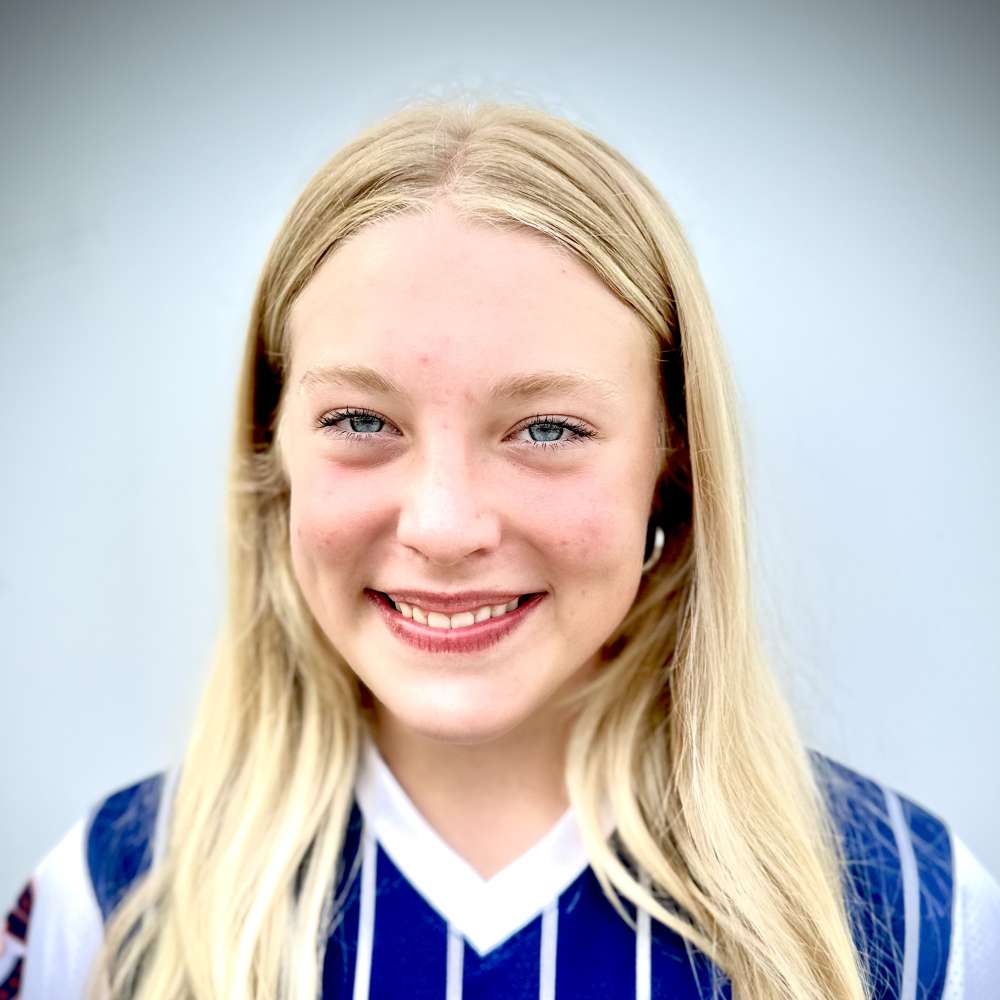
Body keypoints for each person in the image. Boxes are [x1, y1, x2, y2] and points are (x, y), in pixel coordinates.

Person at [2, 100, 998, 1000]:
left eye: (548, 429)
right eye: (361, 420)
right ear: (274, 451)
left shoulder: (917, 914)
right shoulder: (105, 906)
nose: (442, 527)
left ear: (671, 463)